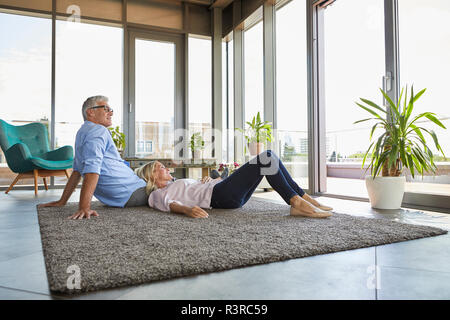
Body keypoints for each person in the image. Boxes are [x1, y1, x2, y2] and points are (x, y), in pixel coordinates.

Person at [38, 95, 148, 219]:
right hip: (132, 190)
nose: (111, 113)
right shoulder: (98, 130)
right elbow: (92, 168)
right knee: (170, 188)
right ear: (91, 112)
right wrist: (84, 208)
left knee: (163, 180)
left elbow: (77, 172)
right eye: (106, 108)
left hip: (124, 192)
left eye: (111, 110)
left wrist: (62, 201)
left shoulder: (82, 132)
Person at [135, 150, 333, 219]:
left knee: (271, 158)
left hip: (221, 191)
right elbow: (170, 205)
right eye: (161, 167)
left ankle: (303, 197)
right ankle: (296, 202)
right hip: (220, 196)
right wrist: (187, 210)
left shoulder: (176, 183)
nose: (167, 168)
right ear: (152, 176)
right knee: (266, 157)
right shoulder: (156, 194)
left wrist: (207, 181)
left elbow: (191, 190)